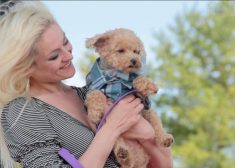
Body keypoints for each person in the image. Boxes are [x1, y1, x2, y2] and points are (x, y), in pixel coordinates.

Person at [0, 1, 173, 168]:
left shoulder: (91, 93)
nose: (68, 56)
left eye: (65, 42)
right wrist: (112, 128)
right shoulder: (23, 112)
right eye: (54, 56)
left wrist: (147, 136)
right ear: (25, 68)